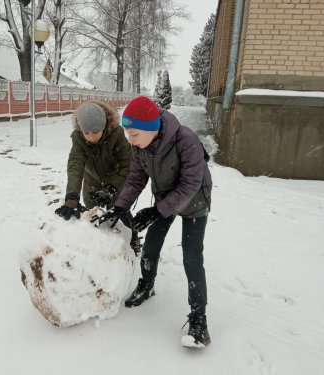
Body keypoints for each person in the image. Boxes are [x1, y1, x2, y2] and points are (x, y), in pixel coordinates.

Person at [93, 96, 213, 348]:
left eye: (134, 133)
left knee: (192, 257)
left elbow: (190, 183)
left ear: (151, 129)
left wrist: (158, 211)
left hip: (194, 202)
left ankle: (198, 318)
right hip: (164, 199)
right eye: (127, 132)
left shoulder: (186, 140)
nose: (130, 139)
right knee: (151, 246)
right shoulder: (139, 147)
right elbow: (136, 179)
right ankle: (147, 285)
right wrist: (120, 206)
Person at [54, 100, 142, 254]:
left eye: (95, 132)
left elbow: (126, 165)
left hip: (115, 177)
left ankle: (133, 235)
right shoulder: (78, 138)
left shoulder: (117, 134)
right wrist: (71, 198)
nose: (91, 137)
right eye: (86, 132)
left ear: (104, 126)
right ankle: (95, 245)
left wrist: (112, 188)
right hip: (92, 177)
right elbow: (75, 166)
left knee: (121, 208)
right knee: (91, 210)